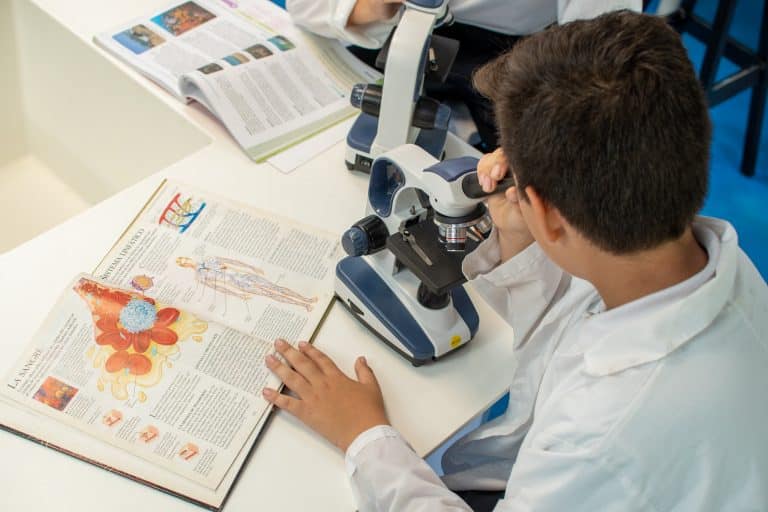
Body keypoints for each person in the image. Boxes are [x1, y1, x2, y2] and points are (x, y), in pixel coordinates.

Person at [262, 10, 768, 511]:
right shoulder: (713, 266)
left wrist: (365, 436)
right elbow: (570, 323)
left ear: (547, 214)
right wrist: (523, 235)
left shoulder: (598, 438)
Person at [286, 0, 641, 149]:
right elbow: (303, 6)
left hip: (514, 52)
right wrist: (371, 7)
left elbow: (599, 51)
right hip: (389, 28)